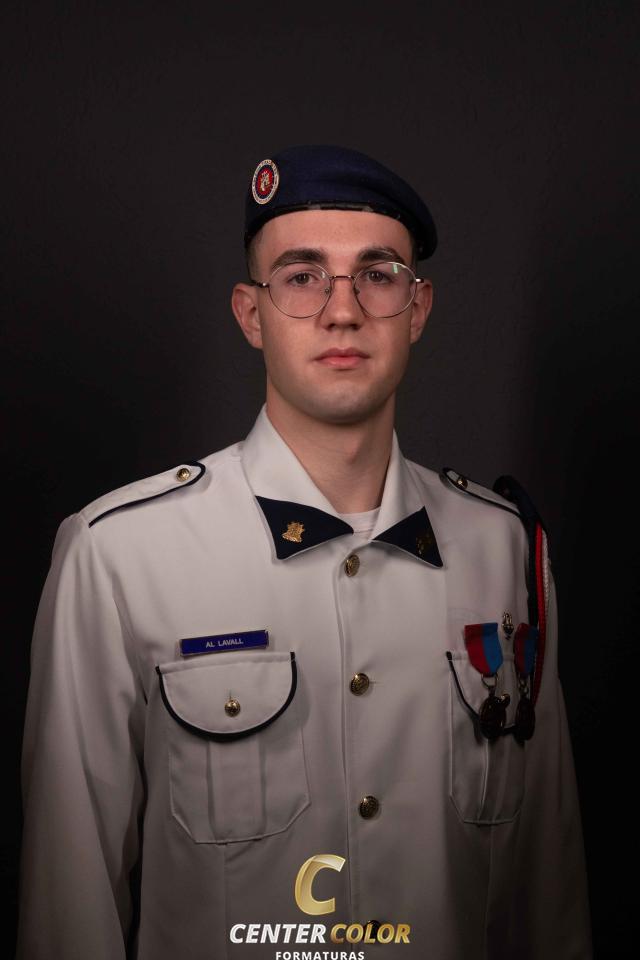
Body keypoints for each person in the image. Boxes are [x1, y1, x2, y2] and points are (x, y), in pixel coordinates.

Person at [17, 145, 592, 960]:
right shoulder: (119, 557)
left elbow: (548, 897)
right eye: (302, 276)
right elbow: (66, 910)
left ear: (419, 308)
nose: (342, 311)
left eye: (378, 275)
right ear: (251, 314)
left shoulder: (502, 551)